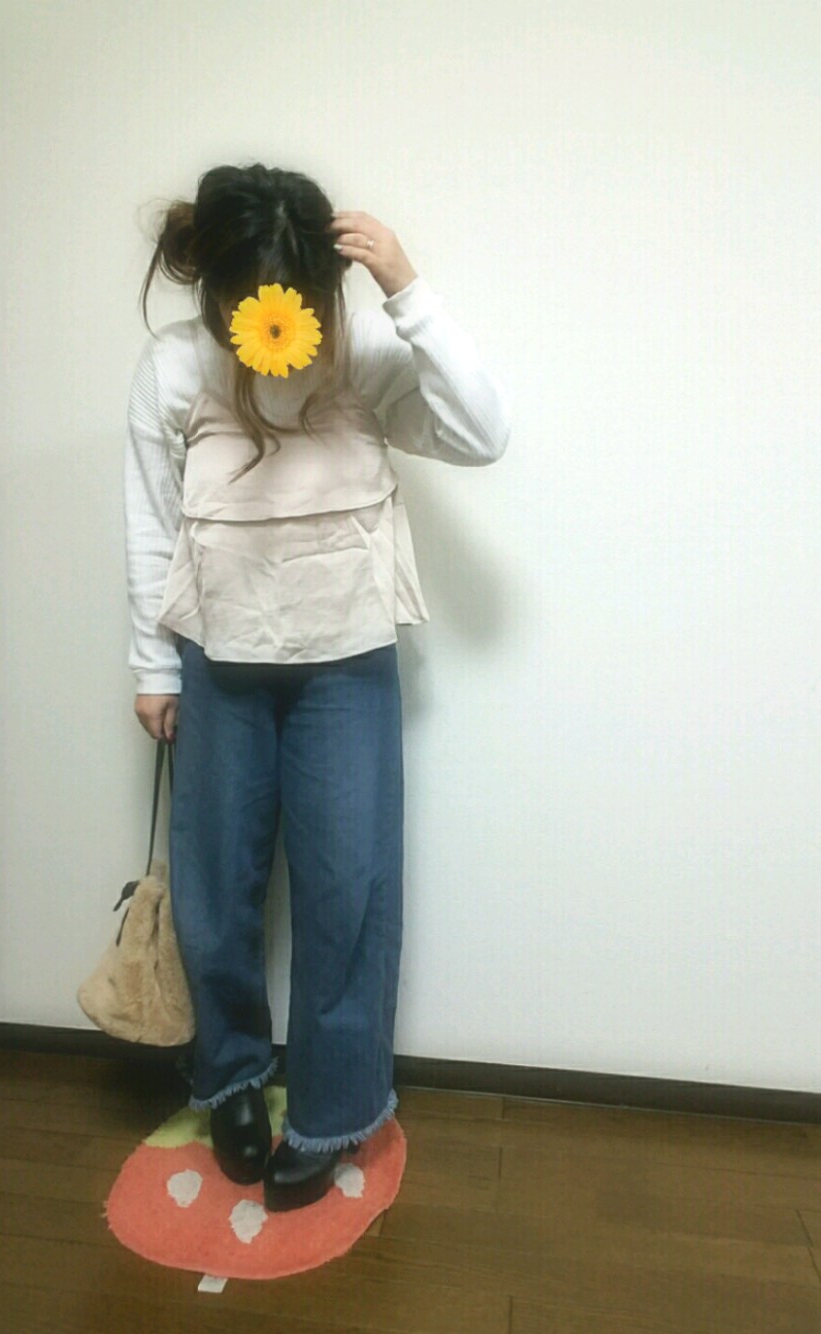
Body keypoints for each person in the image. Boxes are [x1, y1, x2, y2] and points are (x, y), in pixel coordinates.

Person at [123, 162, 511, 1211]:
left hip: (346, 661)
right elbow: (151, 520)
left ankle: (336, 1105)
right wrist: (153, 665)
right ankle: (232, 1076)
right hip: (219, 662)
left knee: (349, 890)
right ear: (217, 286)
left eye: (297, 293)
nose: (275, 317)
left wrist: (407, 289)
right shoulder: (172, 367)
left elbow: (482, 434)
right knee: (216, 892)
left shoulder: (363, 351)